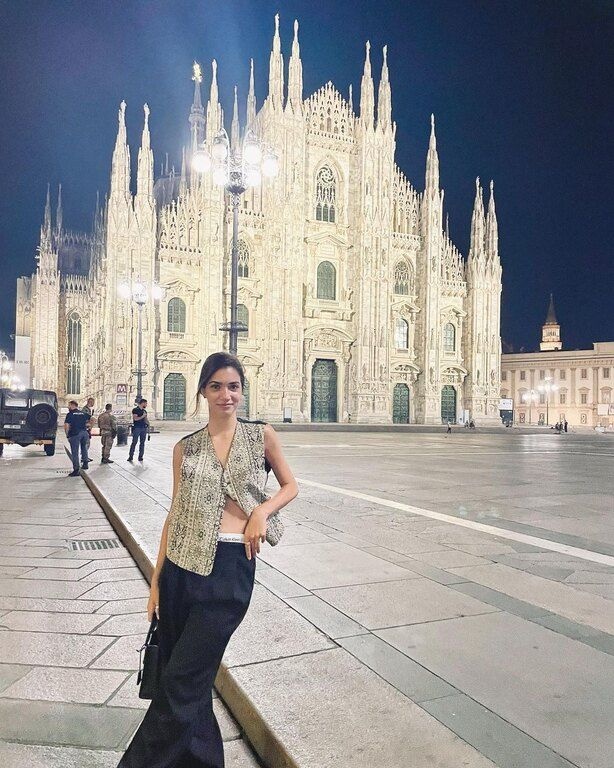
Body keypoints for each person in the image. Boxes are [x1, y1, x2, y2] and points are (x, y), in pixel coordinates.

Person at [117, 352, 298, 768]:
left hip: (230, 568)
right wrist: (157, 581)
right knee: (190, 682)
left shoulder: (260, 435)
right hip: (180, 568)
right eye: (215, 386)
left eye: (233, 386)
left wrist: (262, 511)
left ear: (242, 391)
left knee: (181, 682)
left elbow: (290, 486)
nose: (225, 394)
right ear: (202, 391)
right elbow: (175, 513)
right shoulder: (186, 448)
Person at [64, 400, 89, 476]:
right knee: (84, 448)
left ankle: (76, 470)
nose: (68, 407)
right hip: (84, 433)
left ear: (72, 405)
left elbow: (66, 425)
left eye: (69, 405)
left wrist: (67, 435)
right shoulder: (82, 413)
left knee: (75, 452)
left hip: (75, 434)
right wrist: (89, 427)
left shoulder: (70, 414)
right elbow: (93, 418)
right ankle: (85, 464)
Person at [128, 398, 149, 462]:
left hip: (143, 428)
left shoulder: (144, 411)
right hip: (137, 428)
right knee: (134, 442)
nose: (146, 405)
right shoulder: (135, 410)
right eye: (146, 403)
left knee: (142, 443)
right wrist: (143, 416)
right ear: (142, 403)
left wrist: (148, 423)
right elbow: (135, 419)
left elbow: (145, 419)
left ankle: (140, 457)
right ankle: (131, 456)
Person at [82, 397, 95, 461]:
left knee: (86, 443)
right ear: (90, 402)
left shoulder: (88, 409)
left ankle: (85, 456)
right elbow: (85, 419)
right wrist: (90, 425)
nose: (93, 403)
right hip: (85, 428)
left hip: (86, 428)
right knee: (86, 443)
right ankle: (84, 457)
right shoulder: (85, 409)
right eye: (93, 402)